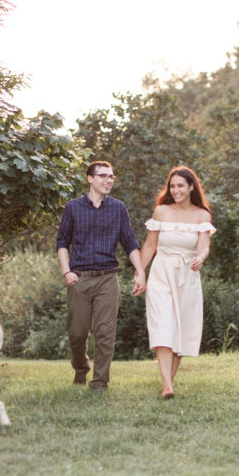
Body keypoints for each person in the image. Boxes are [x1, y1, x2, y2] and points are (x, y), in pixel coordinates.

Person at [57, 161, 146, 390]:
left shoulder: (118, 208)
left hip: (108, 278)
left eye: (111, 177)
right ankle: (80, 367)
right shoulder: (73, 208)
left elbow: (130, 243)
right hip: (79, 278)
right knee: (77, 333)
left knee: (105, 332)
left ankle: (99, 382)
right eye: (103, 176)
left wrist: (141, 272)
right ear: (90, 179)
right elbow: (62, 242)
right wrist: (66, 271)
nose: (109, 180)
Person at [138, 166, 215, 399]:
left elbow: (203, 247)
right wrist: (140, 273)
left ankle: (168, 383)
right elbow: (150, 246)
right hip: (162, 272)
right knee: (162, 324)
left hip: (187, 275)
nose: (176, 190)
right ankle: (167, 386)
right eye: (172, 186)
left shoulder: (202, 215)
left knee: (181, 328)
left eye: (181, 185)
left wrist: (199, 259)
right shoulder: (161, 212)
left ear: (191, 187)